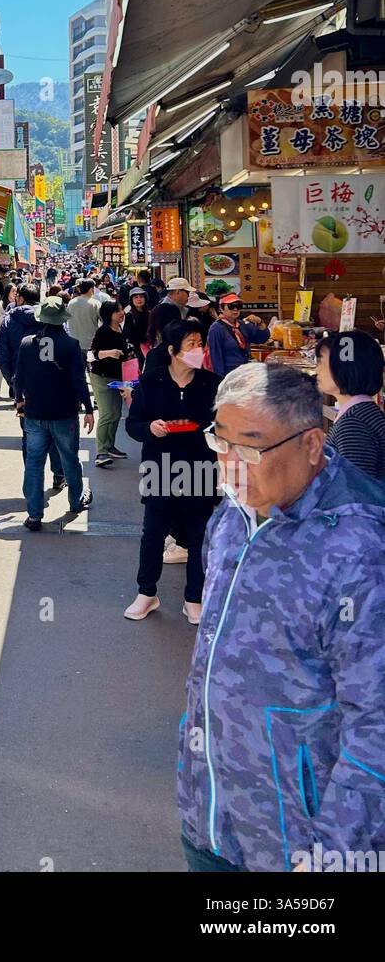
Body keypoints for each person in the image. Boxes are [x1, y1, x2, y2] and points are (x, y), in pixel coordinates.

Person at [179, 363, 385, 874]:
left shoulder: (360, 548)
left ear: (312, 444)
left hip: (298, 845)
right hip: (208, 815)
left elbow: (375, 723)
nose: (229, 464)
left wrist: (333, 852)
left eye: (250, 448)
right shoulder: (234, 510)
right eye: (220, 443)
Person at [123, 319, 220, 624]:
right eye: (191, 344)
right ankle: (146, 593)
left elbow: (225, 425)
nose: (198, 349)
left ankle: (195, 598)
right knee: (153, 532)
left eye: (200, 343)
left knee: (198, 534)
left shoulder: (212, 383)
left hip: (200, 467)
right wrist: (150, 428)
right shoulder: (150, 382)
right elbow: (133, 425)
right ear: (172, 350)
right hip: (160, 467)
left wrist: (215, 433)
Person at [14, 297, 95, 531]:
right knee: (70, 458)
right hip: (64, 412)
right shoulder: (71, 344)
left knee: (34, 462)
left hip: (35, 412)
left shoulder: (27, 343)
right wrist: (88, 409)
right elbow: (79, 381)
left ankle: (34, 514)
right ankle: (75, 501)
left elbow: (19, 377)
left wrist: (19, 401)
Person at [316, 330, 385, 480]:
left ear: (345, 367)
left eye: (322, 362)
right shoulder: (362, 413)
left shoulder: (353, 425)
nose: (317, 370)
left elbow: (357, 494)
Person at [88, 300, 134, 468]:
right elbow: (92, 355)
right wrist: (109, 353)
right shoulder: (103, 331)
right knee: (107, 413)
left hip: (117, 377)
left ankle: (110, 446)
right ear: (109, 315)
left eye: (121, 310)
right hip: (101, 377)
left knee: (116, 413)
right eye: (118, 311)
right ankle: (100, 452)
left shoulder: (120, 329)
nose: (122, 313)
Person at [207, 292, 270, 377]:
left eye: (239, 306)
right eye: (231, 306)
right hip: (229, 374)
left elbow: (261, 339)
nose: (235, 309)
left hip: (245, 371)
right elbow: (216, 357)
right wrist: (220, 379)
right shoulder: (216, 328)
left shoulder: (242, 324)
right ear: (221, 308)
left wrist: (260, 323)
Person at [67, 278, 101, 363]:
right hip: (90, 342)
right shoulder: (95, 303)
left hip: (74, 341)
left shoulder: (71, 302)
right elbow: (103, 319)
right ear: (91, 289)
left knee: (78, 368)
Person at [122, 286, 151, 356]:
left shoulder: (150, 313)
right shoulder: (129, 315)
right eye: (136, 297)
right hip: (137, 351)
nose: (139, 299)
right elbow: (128, 335)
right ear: (131, 300)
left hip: (150, 347)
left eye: (141, 296)